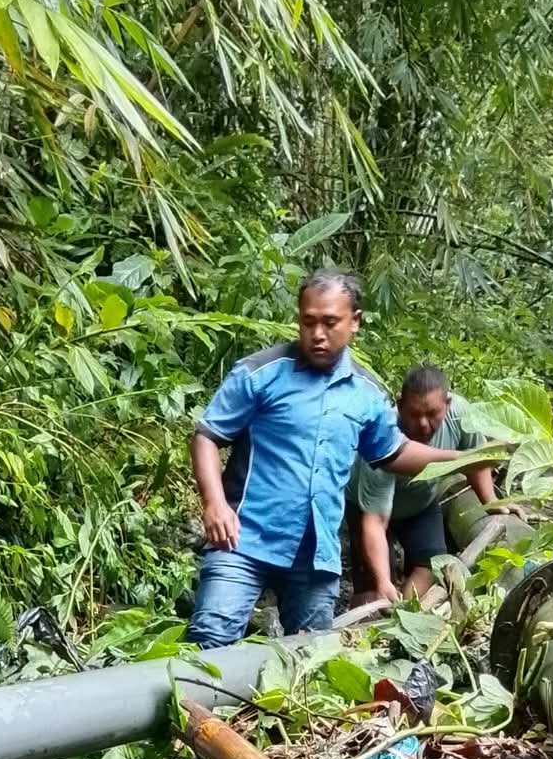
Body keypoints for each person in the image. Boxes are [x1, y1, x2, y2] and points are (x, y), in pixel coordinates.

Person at [188, 270, 475, 645]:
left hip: (316, 556)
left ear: (354, 321)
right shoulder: (261, 373)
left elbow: (395, 452)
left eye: (330, 322)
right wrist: (214, 504)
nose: (317, 334)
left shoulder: (367, 394)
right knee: (210, 642)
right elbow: (207, 435)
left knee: (308, 663)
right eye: (308, 322)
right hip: (243, 539)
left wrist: (464, 458)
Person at [350, 363, 497, 601]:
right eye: (415, 414)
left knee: (430, 566)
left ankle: (404, 617)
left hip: (421, 503)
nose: (423, 425)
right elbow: (375, 522)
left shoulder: (460, 414)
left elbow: (476, 459)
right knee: (372, 588)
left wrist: (491, 503)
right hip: (367, 507)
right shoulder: (382, 436)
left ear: (447, 405)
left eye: (432, 414)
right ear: (400, 406)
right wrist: (383, 581)